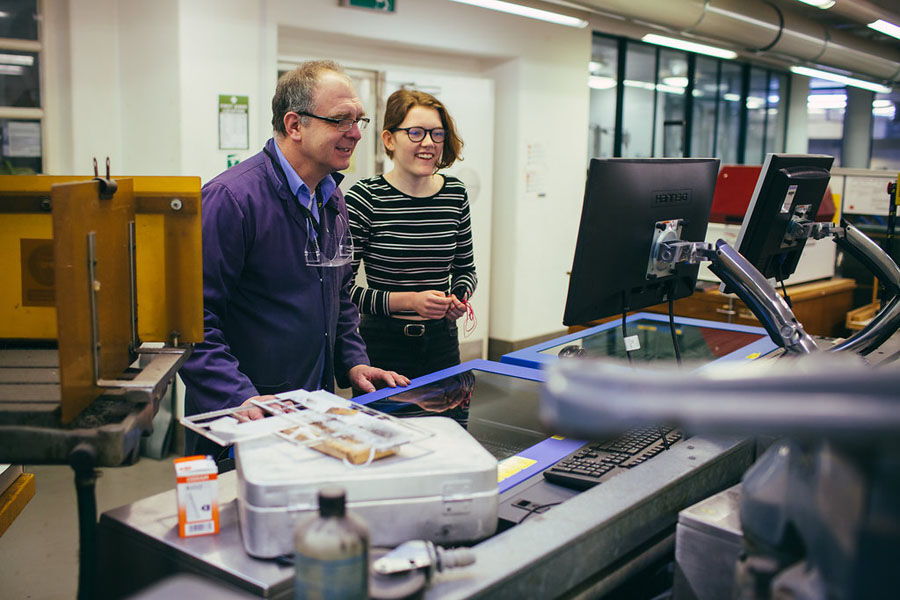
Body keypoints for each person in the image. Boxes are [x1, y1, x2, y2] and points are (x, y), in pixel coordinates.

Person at [179, 60, 409, 457]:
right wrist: (239, 398)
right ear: (294, 125)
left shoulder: (331, 198)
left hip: (309, 413)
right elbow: (191, 321)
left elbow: (338, 296)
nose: (355, 134)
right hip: (243, 421)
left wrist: (353, 361)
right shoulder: (231, 200)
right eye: (340, 120)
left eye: (359, 120)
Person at [345, 89, 476, 380]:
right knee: (382, 426)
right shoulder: (364, 198)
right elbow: (343, 291)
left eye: (437, 134)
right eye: (416, 133)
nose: (429, 143)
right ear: (389, 139)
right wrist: (411, 301)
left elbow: (466, 270)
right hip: (383, 346)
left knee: (449, 424)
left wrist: (458, 298)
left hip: (443, 343)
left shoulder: (455, 194)